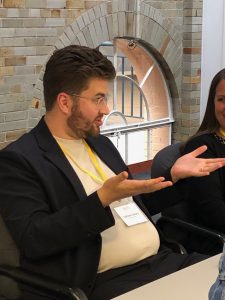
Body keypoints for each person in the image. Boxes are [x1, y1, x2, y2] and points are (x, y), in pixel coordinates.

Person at [0, 45, 225, 300]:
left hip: (161, 261)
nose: (106, 109)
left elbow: (138, 204)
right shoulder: (20, 160)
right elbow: (35, 238)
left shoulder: (100, 144)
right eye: (98, 98)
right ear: (65, 102)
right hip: (100, 281)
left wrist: (174, 176)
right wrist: (101, 200)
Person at [181, 68, 225, 252]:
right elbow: (215, 214)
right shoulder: (202, 148)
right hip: (216, 242)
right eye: (222, 99)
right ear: (212, 103)